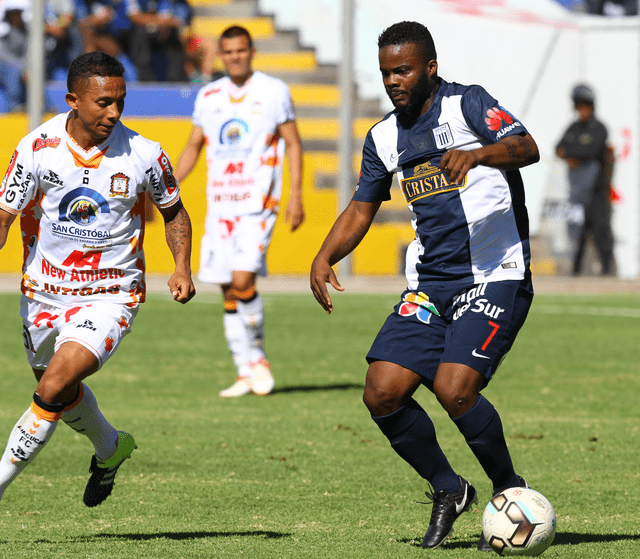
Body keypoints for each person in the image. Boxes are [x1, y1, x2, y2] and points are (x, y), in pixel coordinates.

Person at [310, 21, 539, 550]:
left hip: (494, 274)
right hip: (431, 285)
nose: (394, 80)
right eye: (387, 71)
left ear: (430, 68)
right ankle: (447, 487)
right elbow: (362, 206)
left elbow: (527, 145)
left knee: (454, 389)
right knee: (382, 392)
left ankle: (510, 494)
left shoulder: (469, 106)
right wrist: (324, 255)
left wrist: (481, 153)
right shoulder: (384, 136)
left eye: (404, 70)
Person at [0, 51, 196, 506]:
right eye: (103, 103)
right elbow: (6, 213)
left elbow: (174, 212)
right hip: (43, 294)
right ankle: (110, 447)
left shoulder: (145, 154)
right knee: (59, 388)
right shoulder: (37, 148)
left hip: (110, 294)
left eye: (119, 101)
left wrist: (181, 266)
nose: (114, 112)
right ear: (73, 99)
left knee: (50, 387)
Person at [175, 25, 304, 398]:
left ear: (252, 52)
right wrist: (167, 184)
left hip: (257, 203)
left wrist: (295, 194)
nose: (235, 57)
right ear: (221, 55)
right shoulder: (209, 96)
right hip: (220, 205)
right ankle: (244, 370)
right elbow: (193, 146)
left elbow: (293, 144)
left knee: (244, 280)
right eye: (228, 52)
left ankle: (259, 358)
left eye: (241, 51)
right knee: (227, 288)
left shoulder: (273, 91)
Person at [555, 84, 615, 276]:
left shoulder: (599, 128)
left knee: (601, 231)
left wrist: (573, 156)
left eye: (584, 106)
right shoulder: (573, 128)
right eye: (578, 106)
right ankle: (576, 271)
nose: (581, 110)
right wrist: (572, 155)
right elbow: (559, 148)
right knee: (577, 232)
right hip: (577, 192)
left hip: (597, 192)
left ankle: (607, 270)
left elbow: (593, 150)